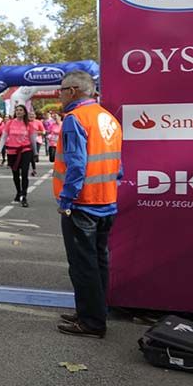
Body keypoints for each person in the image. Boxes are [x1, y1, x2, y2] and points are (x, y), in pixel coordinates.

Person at [53, 71, 122, 339]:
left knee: (83, 265)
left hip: (83, 204)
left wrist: (67, 200)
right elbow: (118, 164)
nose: (58, 95)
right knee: (99, 261)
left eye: (60, 91)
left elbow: (76, 165)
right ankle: (94, 311)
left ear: (72, 91)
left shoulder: (75, 119)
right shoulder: (108, 118)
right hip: (107, 200)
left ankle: (91, 322)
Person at [0, 104, 33, 207]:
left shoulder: (28, 124)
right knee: (15, 174)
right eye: (17, 110)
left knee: (24, 173)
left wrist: (35, 153)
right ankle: (18, 192)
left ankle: (24, 196)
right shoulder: (9, 123)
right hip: (12, 151)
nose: (19, 112)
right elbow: (4, 137)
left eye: (21, 110)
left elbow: (32, 139)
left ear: (24, 112)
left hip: (25, 150)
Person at [28, 109, 45, 176]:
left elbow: (43, 131)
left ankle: (33, 169)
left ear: (35, 116)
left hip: (37, 140)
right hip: (28, 141)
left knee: (33, 155)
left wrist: (35, 132)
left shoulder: (38, 122)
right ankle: (33, 169)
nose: (31, 116)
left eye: (32, 115)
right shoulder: (26, 122)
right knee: (30, 155)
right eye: (30, 115)